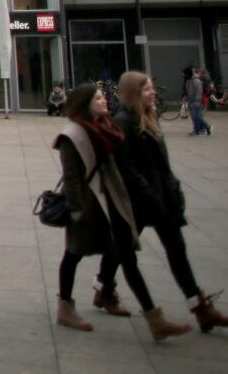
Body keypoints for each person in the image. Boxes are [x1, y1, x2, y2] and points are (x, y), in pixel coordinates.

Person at [94, 72, 228, 332]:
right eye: (146, 89)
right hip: (142, 200)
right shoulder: (123, 121)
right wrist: (149, 194)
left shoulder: (148, 118)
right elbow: (125, 167)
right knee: (122, 249)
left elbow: (160, 164)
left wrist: (170, 189)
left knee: (175, 250)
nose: (152, 93)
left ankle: (200, 307)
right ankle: (105, 289)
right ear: (132, 93)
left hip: (160, 197)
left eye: (151, 88)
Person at [52, 83, 191, 341]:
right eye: (97, 97)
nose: (104, 100)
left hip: (112, 202)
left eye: (103, 96)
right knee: (72, 255)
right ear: (85, 103)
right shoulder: (72, 135)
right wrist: (76, 211)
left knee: (126, 257)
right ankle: (65, 308)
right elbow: (71, 178)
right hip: (89, 205)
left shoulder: (105, 125)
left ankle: (153, 318)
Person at [182, 67, 211, 137]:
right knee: (194, 117)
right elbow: (187, 90)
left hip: (196, 101)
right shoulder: (188, 80)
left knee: (197, 116)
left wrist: (197, 101)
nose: (183, 75)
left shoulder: (196, 80)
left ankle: (207, 126)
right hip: (190, 100)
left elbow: (199, 91)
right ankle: (196, 130)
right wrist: (185, 97)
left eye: (184, 73)